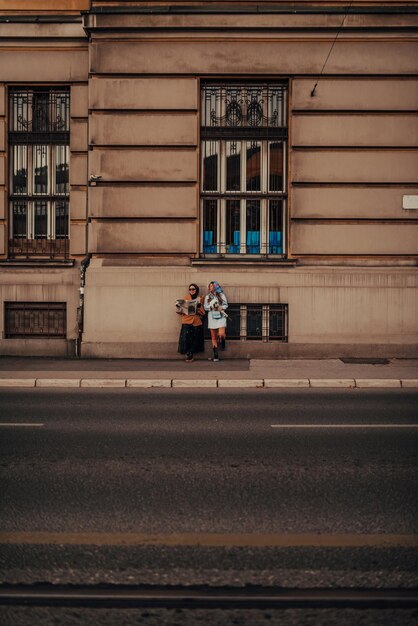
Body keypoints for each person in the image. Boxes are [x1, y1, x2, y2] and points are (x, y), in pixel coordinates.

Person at [176, 283, 205, 362]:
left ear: (196, 290)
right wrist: (179, 307)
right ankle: (188, 352)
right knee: (185, 338)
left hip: (196, 321)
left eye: (193, 289)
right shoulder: (186, 298)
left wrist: (198, 307)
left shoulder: (200, 298)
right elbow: (181, 311)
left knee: (195, 339)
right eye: (190, 289)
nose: (191, 291)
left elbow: (203, 312)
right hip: (186, 320)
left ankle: (190, 354)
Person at [204, 281, 228, 362]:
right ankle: (216, 354)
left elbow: (226, 305)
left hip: (221, 317)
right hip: (212, 317)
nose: (211, 287)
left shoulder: (221, 295)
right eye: (210, 286)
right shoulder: (207, 297)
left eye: (212, 286)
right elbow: (205, 307)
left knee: (221, 333)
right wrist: (211, 307)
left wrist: (220, 307)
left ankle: (223, 341)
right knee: (213, 337)